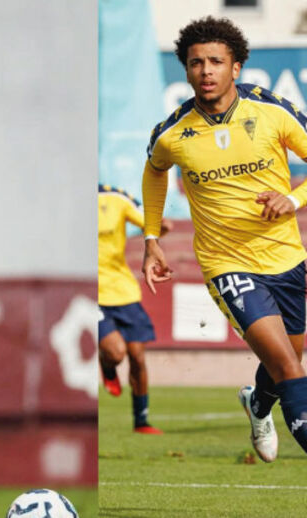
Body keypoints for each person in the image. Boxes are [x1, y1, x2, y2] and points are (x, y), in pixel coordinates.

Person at [142, 16, 307, 463]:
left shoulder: (272, 111)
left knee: (286, 361)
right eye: (196, 63)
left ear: (236, 68)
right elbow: (155, 171)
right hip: (227, 264)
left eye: (216, 61)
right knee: (292, 369)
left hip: (287, 258)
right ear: (186, 70)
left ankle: (257, 405)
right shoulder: (173, 133)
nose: (206, 70)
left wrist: (294, 199)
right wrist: (152, 237)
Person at [98, 184, 171, 435]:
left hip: (123, 291)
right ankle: (107, 366)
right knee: (116, 352)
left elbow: (149, 222)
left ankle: (141, 421)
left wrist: (160, 227)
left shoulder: (114, 197)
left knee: (137, 356)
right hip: (93, 293)